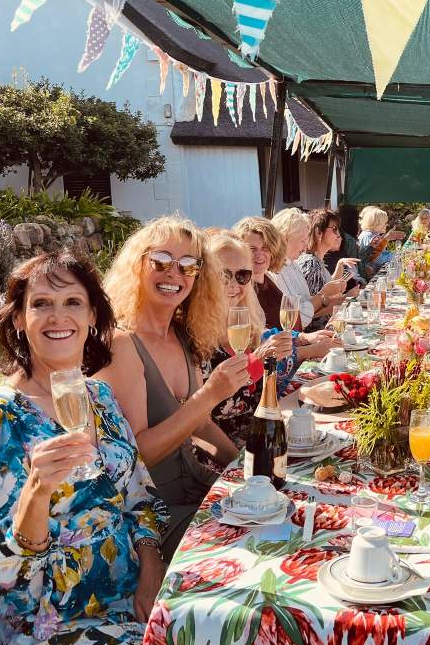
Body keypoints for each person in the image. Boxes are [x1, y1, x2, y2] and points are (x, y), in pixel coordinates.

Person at [0, 251, 179, 645]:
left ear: (93, 315)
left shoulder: (99, 397)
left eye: (73, 301)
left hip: (126, 606)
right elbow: (1, 566)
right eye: (41, 304)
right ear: (19, 318)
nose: (58, 316)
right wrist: (36, 491)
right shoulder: (0, 415)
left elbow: (140, 496)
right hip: (47, 632)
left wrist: (150, 568)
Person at [100, 216, 254, 557]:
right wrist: (209, 395)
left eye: (188, 265)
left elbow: (200, 425)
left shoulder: (182, 334)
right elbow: (139, 454)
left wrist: (248, 468)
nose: (174, 273)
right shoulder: (121, 344)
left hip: (195, 485)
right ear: (137, 266)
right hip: (152, 514)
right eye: (161, 261)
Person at [205, 232, 293, 448]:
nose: (234, 284)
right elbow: (212, 411)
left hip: (265, 433)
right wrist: (257, 361)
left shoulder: (247, 324)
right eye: (224, 275)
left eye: (242, 275)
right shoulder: (196, 336)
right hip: (228, 450)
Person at [234, 216, 337, 375]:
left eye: (265, 248)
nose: (260, 255)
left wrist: (304, 337)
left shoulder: (268, 278)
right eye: (252, 249)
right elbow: (262, 346)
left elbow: (278, 332)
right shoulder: (240, 290)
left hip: (287, 364)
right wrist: (311, 349)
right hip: (269, 375)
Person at [271, 208, 345, 330]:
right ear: (285, 238)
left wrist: (334, 298)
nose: (306, 245)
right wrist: (323, 294)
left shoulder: (292, 265)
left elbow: (307, 303)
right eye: (302, 240)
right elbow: (298, 318)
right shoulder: (278, 269)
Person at [357, 206, 404, 279]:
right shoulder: (369, 236)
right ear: (376, 224)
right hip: (369, 275)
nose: (387, 225)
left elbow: (381, 253)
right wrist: (395, 258)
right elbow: (375, 258)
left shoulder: (372, 234)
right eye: (385, 223)